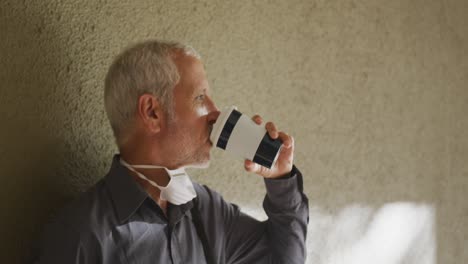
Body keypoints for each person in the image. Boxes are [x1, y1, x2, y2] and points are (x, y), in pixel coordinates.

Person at [34, 40, 309, 263]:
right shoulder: (79, 237)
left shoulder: (206, 209)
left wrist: (280, 178)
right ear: (152, 112)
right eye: (200, 97)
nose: (215, 113)